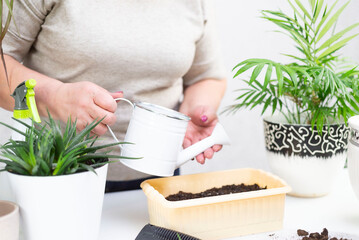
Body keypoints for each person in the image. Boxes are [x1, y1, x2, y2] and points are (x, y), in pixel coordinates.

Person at [0, 0, 227, 191]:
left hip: (159, 179)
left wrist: (196, 109)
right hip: (56, 174)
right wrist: (53, 97)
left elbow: (206, 77)